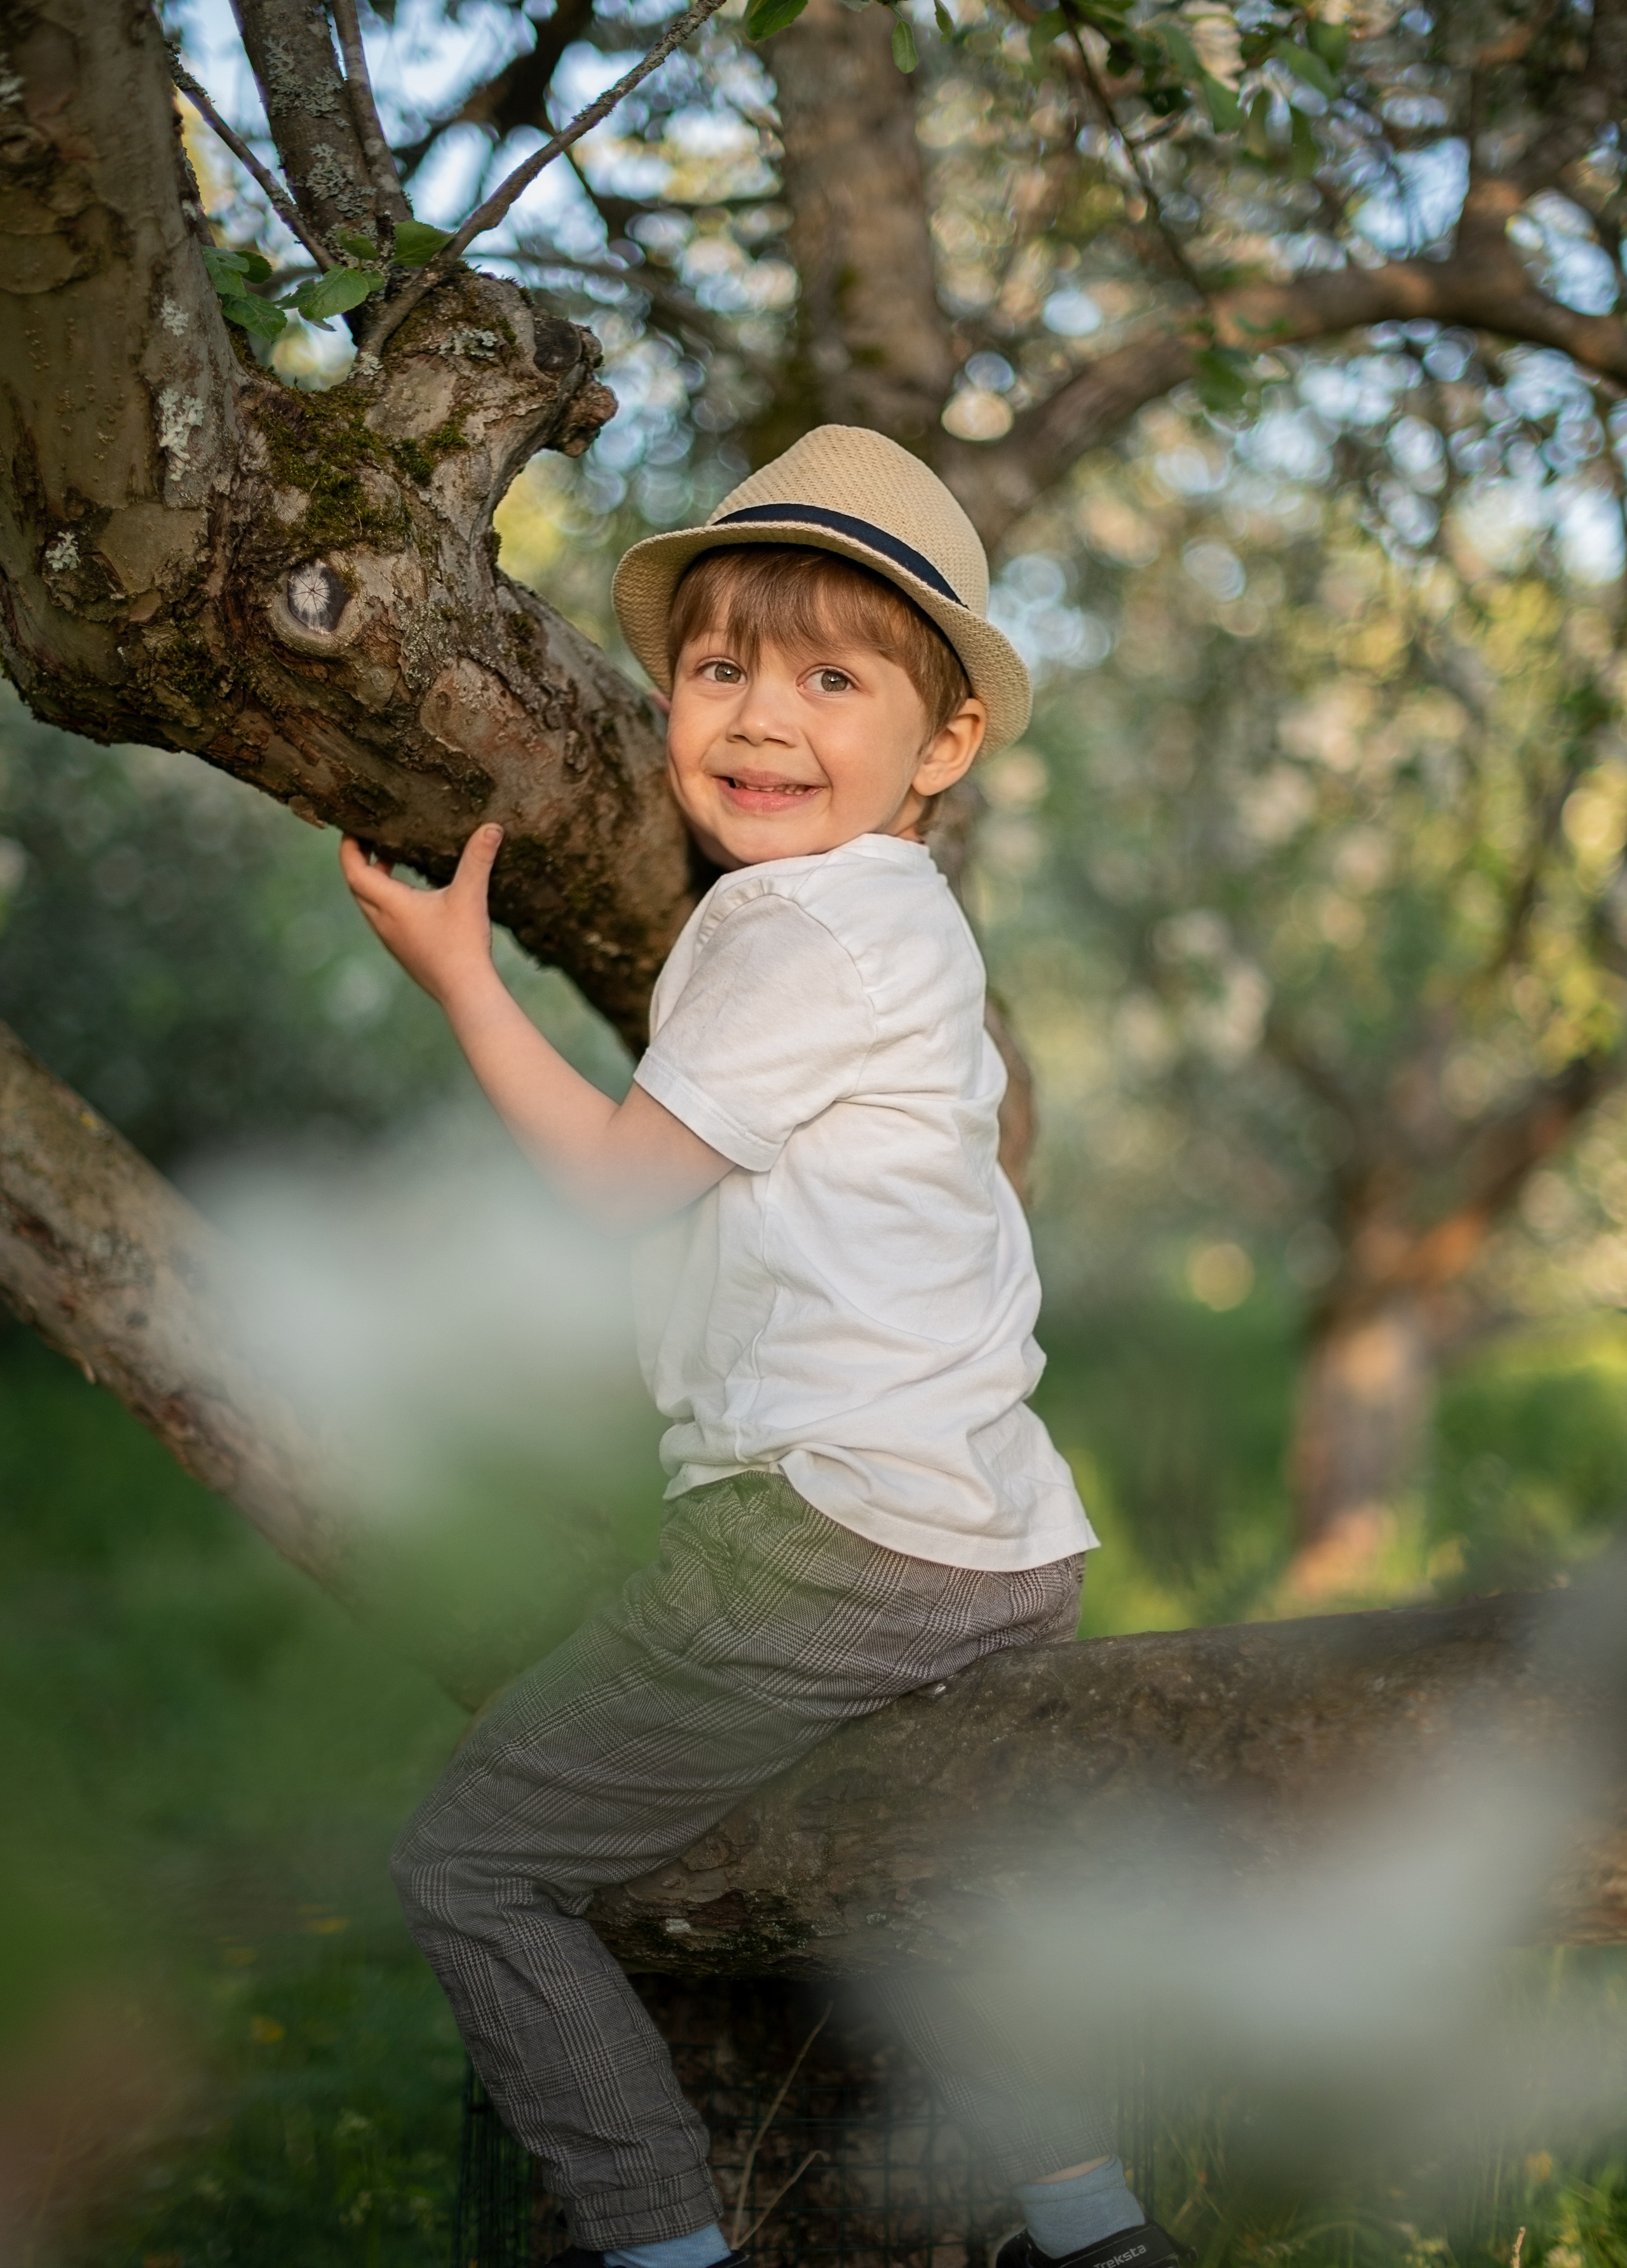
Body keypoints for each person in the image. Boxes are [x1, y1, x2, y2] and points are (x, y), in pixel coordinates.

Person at [342, 425, 1185, 2268]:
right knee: (891, 1879)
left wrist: (467, 981)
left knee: (474, 1870)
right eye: (719, 667)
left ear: (942, 744)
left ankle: (664, 2244)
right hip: (988, 1543)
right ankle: (1098, 2232)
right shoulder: (902, 919)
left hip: (825, 1545)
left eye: (831, 675)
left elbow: (622, 1196)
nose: (759, 715)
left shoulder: (793, 923)